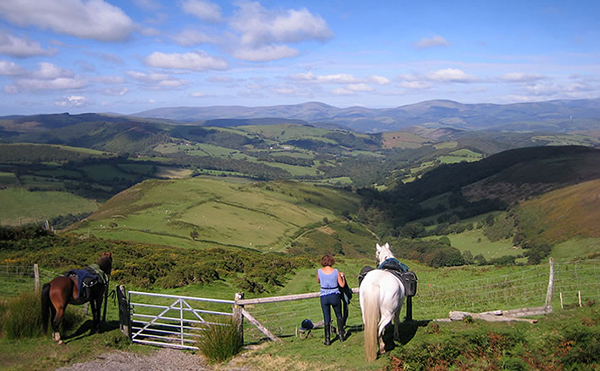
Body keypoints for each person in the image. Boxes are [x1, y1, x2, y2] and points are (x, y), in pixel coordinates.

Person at [317, 254, 346, 345]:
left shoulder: (319, 271)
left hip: (324, 296)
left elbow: (318, 281)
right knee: (338, 315)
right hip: (335, 295)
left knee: (326, 318)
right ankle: (341, 335)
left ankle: (327, 339)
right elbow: (342, 285)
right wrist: (343, 277)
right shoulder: (335, 271)